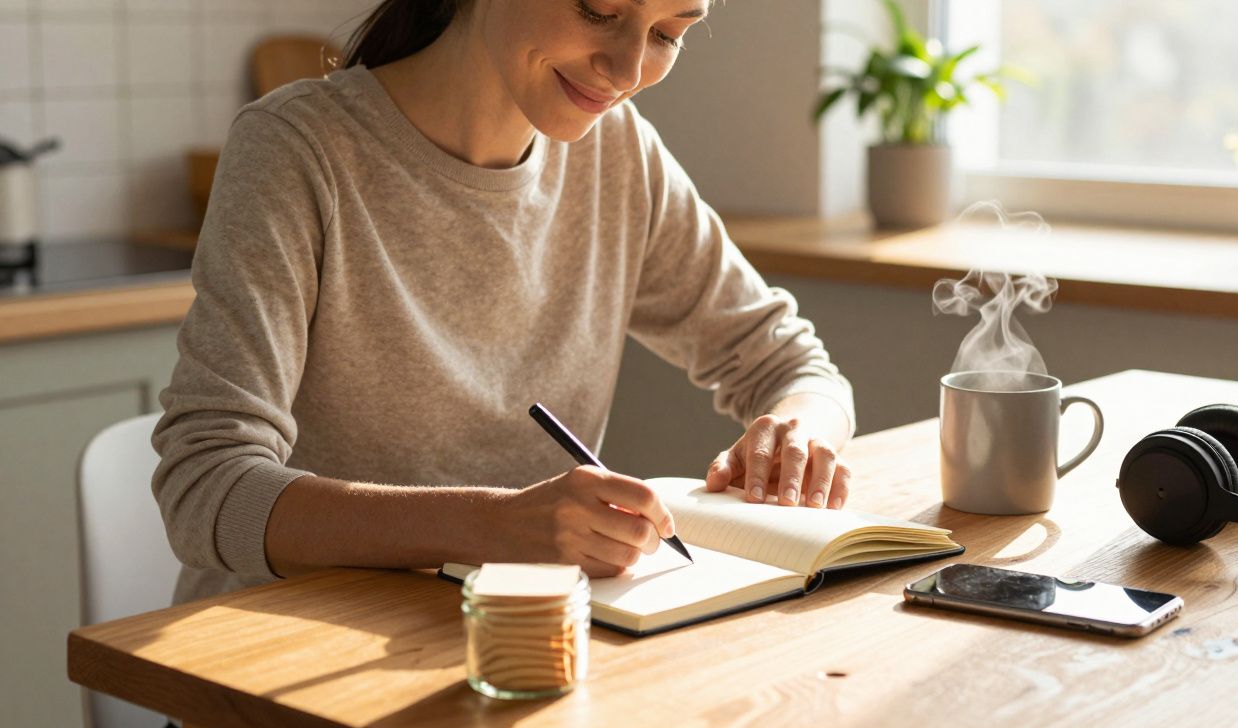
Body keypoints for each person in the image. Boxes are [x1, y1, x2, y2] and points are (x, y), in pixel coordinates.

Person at [151, 0, 856, 605]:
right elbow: (205, 489)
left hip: (513, 650)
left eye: (667, 33)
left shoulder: (618, 156)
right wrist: (493, 527)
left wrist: (800, 429)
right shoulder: (298, 152)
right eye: (599, 11)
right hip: (273, 679)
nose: (627, 69)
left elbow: (791, 362)